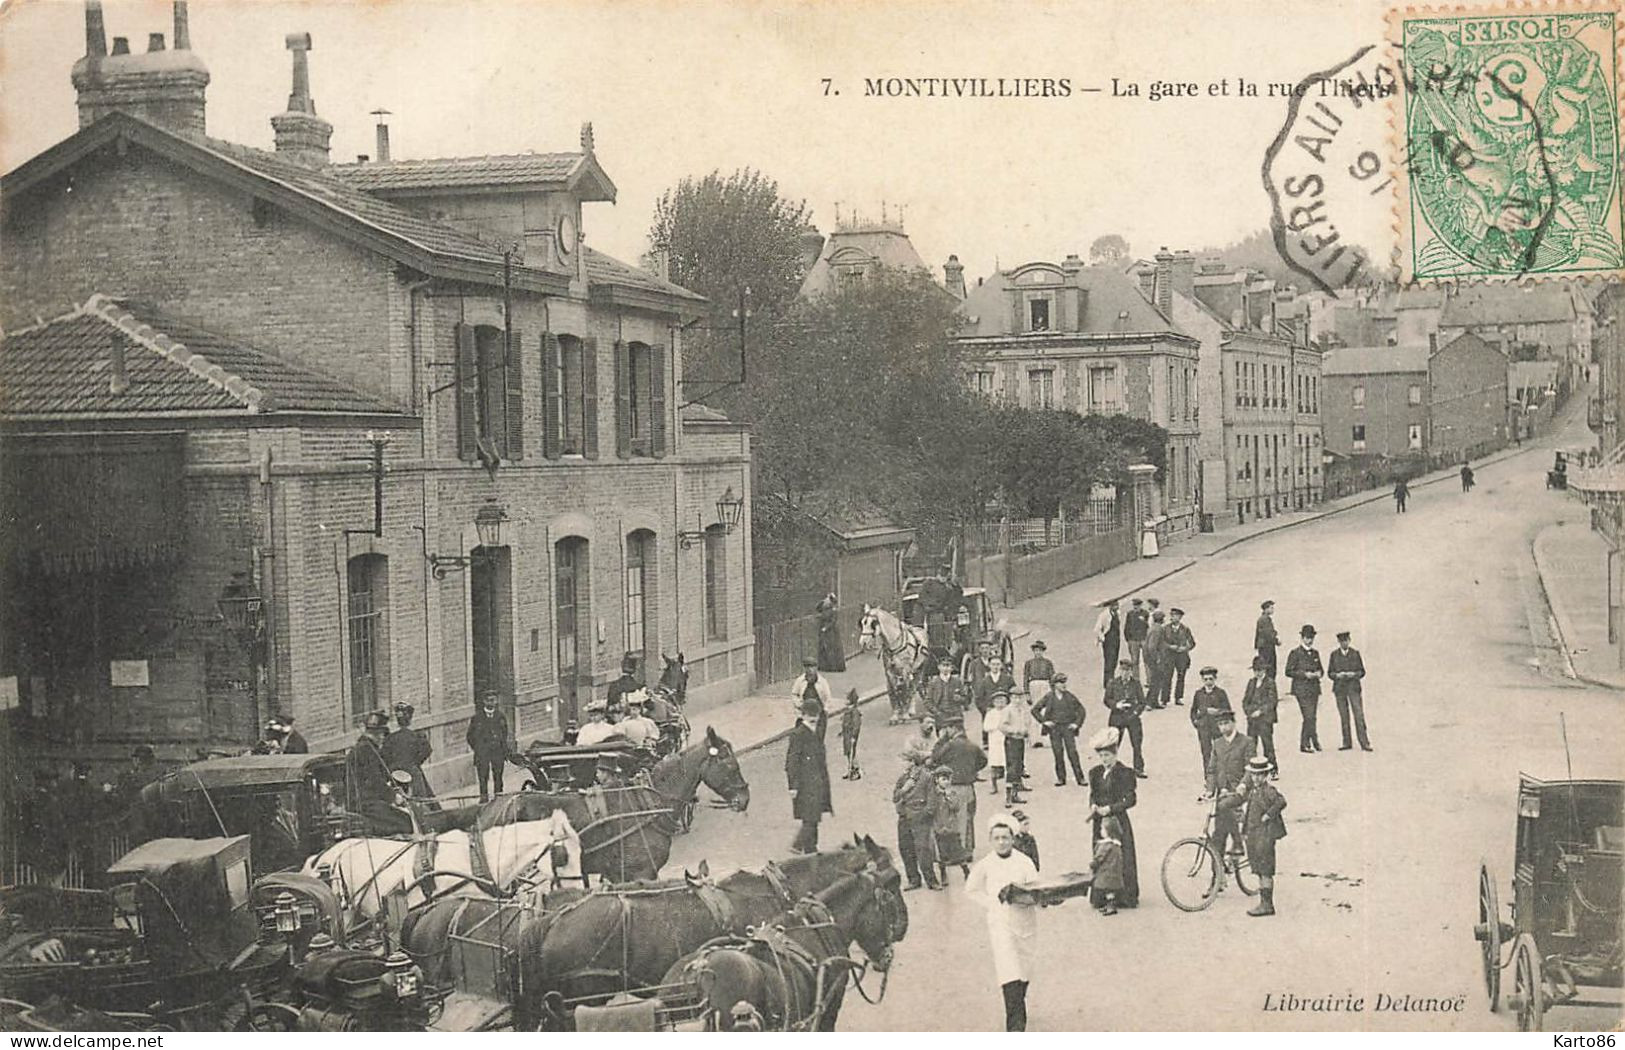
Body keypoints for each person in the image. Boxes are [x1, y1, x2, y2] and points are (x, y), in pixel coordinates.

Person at [964, 813, 1041, 1031]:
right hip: (1000, 926)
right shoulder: (985, 864)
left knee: (1024, 971)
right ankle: (1016, 1029)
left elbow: (1036, 889)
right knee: (1009, 974)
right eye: (996, 838)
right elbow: (971, 889)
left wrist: (1038, 900)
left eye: (1005, 838)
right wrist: (992, 903)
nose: (1001, 842)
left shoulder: (1024, 862)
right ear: (991, 840)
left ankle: (1019, 999)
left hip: (1025, 924)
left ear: (1012, 839)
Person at [1087, 728, 1139, 908]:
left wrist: (1110, 808)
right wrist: (1093, 805)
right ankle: (1102, 896)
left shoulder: (1125, 773)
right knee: (1101, 856)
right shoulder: (1095, 773)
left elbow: (1131, 800)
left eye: (1108, 755)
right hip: (1099, 821)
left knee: (1120, 857)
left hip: (1117, 822)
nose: (1104, 760)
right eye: (1102, 756)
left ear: (1115, 754)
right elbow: (1093, 794)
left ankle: (1124, 896)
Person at [1238, 755, 1288, 916]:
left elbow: (1281, 801)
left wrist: (1268, 814)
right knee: (1259, 869)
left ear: (1266, 775)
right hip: (1254, 835)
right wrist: (1244, 830)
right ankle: (1264, 902)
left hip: (1265, 836)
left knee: (1265, 870)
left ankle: (1267, 904)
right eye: (1253, 775)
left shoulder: (1269, 790)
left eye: (1259, 775)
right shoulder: (1254, 791)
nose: (1256, 778)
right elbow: (1249, 811)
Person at [1205, 710, 1252, 876]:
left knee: (1223, 807)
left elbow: (1250, 768)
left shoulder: (1246, 741)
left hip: (1240, 792)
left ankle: (1238, 842)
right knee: (1218, 835)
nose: (1223, 727)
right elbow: (1211, 770)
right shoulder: (1217, 743)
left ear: (1233, 723)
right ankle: (1216, 880)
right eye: (1220, 724)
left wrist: (1243, 785)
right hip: (1222, 794)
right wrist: (1210, 789)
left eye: (1226, 723)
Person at [893, 741, 943, 890]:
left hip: (920, 818)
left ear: (911, 761)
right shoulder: (903, 778)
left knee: (923, 850)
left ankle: (931, 880)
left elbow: (932, 800)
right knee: (906, 849)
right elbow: (895, 797)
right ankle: (913, 879)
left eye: (902, 760)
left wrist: (924, 815)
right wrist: (904, 789)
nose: (900, 764)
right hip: (904, 817)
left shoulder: (926, 777)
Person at [785, 698, 832, 854]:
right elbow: (791, 762)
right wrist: (793, 786)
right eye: (810, 715)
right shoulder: (798, 734)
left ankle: (811, 850)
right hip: (805, 784)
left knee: (813, 817)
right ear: (803, 716)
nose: (814, 718)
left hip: (817, 783)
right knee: (811, 818)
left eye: (816, 715)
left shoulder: (816, 732)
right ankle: (799, 846)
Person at [934, 722, 987, 855]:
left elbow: (935, 757)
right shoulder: (972, 745)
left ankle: (956, 851)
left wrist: (941, 740)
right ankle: (968, 850)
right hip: (968, 787)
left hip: (952, 787)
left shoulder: (950, 745)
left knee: (951, 818)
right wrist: (971, 770)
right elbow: (983, 761)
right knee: (968, 818)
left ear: (953, 728)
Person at [1031, 671, 1086, 786]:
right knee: (1058, 753)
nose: (1063, 685)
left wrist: (1076, 724)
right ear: (1054, 684)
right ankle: (1061, 778)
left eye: (1064, 682)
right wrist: (1044, 722)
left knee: (1072, 753)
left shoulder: (1070, 696)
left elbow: (1081, 710)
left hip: (1067, 728)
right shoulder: (1049, 697)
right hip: (1054, 729)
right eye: (1060, 683)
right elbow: (1035, 710)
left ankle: (1080, 778)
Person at [1328, 630, 1373, 752]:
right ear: (1339, 642)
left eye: (1346, 641)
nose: (1344, 643)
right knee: (1344, 716)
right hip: (1340, 688)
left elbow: (1362, 671)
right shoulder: (1334, 655)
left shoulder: (1355, 654)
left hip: (1353, 688)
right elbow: (1329, 673)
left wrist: (1353, 674)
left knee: (1358, 714)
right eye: (1342, 641)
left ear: (1349, 641)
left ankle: (1364, 742)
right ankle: (1346, 742)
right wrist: (1338, 675)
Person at [1103, 658, 1148, 777]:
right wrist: (1116, 705)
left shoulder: (1136, 684)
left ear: (1131, 671)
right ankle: (1110, 768)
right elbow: (1106, 700)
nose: (1125, 673)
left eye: (1127, 670)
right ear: (1119, 670)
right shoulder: (1112, 683)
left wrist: (1135, 713)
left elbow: (1142, 702)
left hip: (1132, 717)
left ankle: (1139, 768)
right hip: (1117, 717)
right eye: (1123, 670)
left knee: (1137, 744)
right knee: (1113, 744)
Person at [1284, 625, 1325, 753]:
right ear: (1302, 638)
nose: (1310, 640)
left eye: (1311, 638)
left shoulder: (1315, 653)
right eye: (1307, 638)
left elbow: (1321, 669)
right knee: (1308, 716)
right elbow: (1288, 671)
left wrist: (1319, 673)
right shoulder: (1295, 653)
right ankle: (1306, 743)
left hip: (1314, 689)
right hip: (1301, 689)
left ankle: (1313, 740)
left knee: (1312, 716)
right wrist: (1304, 674)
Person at [383, 702, 434, 800]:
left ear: (398, 720)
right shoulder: (417, 736)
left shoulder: (390, 738)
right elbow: (427, 751)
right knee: (420, 799)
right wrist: (415, 763)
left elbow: (384, 756)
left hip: (394, 773)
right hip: (412, 772)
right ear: (410, 718)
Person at [466, 694, 512, 802]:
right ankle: (484, 798)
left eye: (493, 700)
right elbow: (470, 736)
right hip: (483, 753)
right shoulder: (477, 718)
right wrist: (478, 748)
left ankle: (498, 798)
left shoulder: (500, 716)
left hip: (497, 752)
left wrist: (502, 748)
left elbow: (504, 733)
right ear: (484, 701)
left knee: (498, 776)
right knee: (483, 776)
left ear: (496, 701)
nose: (491, 703)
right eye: (488, 700)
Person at [1189, 666, 1232, 780]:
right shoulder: (1199, 694)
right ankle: (1208, 778)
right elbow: (1193, 710)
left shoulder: (1221, 693)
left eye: (1210, 679)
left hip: (1217, 728)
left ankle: (1222, 776)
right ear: (1202, 680)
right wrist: (1196, 722)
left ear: (1215, 679)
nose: (1208, 682)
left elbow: (1228, 710)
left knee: (1220, 752)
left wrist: (1218, 712)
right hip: (1204, 728)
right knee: (1206, 753)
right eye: (1206, 679)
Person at [1242, 655, 1280, 778]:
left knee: (1267, 744)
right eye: (1256, 670)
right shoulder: (1251, 683)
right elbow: (1245, 701)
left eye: (1260, 670)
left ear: (1265, 670)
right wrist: (1249, 712)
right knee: (1251, 744)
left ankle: (1273, 769)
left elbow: (1272, 701)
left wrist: (1260, 711)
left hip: (1265, 719)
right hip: (1252, 719)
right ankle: (1252, 770)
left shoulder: (1270, 683)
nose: (1258, 672)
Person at [349, 711, 395, 808]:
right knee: (403, 819)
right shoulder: (367, 750)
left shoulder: (362, 747)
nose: (383, 738)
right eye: (383, 734)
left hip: (363, 800)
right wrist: (393, 796)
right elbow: (375, 779)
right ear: (377, 734)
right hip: (367, 802)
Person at [932, 766, 970, 879]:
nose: (946, 782)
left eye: (948, 779)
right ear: (937, 780)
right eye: (943, 779)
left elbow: (956, 807)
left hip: (952, 826)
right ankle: (943, 874)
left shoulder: (952, 793)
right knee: (941, 853)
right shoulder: (934, 794)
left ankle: (966, 871)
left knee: (958, 851)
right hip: (939, 826)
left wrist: (948, 795)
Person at [997, 684, 1032, 806]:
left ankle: (1015, 793)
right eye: (1015, 698)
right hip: (1011, 740)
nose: (1017, 700)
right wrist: (1014, 730)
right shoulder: (1007, 710)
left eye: (1020, 698)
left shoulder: (1022, 710)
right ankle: (1008, 797)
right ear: (1010, 698)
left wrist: (1026, 732)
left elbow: (1027, 723)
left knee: (1018, 766)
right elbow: (1002, 726)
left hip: (1020, 740)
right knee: (1011, 768)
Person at [975, 656, 1017, 745]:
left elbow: (1014, 694)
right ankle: (987, 742)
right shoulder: (984, 681)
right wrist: (985, 709)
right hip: (991, 712)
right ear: (989, 666)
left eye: (998, 664)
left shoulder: (1008, 679)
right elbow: (978, 698)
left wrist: (1009, 708)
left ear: (1001, 665)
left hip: (1005, 712)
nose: (995, 667)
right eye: (993, 664)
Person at [790, 657, 833, 740]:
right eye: (807, 667)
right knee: (801, 738)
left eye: (812, 667)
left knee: (818, 738)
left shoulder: (822, 682)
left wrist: (826, 709)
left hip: (819, 714)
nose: (810, 670)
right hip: (804, 713)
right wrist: (799, 704)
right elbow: (794, 694)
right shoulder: (800, 681)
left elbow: (828, 697)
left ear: (816, 668)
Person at [1021, 641, 1054, 745]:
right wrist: (1027, 693)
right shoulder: (1029, 663)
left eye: (1040, 650)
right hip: (1033, 686)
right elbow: (1026, 678)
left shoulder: (1048, 663)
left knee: (1045, 711)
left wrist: (1053, 692)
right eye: (1036, 650)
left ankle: (1045, 739)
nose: (1038, 652)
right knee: (1033, 711)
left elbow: (1052, 678)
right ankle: (1034, 739)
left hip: (1045, 686)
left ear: (1043, 651)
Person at [1091, 816, 1126, 915]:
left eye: (1102, 829)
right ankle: (1109, 905)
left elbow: (1099, 857)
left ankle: (1111, 907)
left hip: (1107, 873)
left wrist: (1093, 864)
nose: (1101, 831)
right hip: (1113, 872)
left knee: (1108, 891)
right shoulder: (1116, 844)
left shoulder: (1106, 846)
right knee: (1109, 891)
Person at [921, 659, 967, 734]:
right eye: (943, 666)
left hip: (956, 716)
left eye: (948, 666)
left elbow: (966, 699)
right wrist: (936, 712)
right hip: (941, 716)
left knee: (958, 740)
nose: (946, 668)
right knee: (943, 741)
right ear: (939, 667)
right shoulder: (933, 682)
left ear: (952, 668)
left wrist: (960, 698)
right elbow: (927, 701)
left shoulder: (957, 681)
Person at [1163, 607, 1196, 706]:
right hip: (1169, 656)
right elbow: (1162, 642)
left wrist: (1185, 648)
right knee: (1167, 677)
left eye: (1175, 616)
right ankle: (1165, 699)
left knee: (1181, 677)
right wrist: (1170, 646)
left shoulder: (1185, 629)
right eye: (1172, 615)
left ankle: (1178, 697)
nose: (1172, 617)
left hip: (1182, 656)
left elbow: (1192, 643)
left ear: (1180, 617)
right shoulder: (1165, 629)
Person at [983, 691, 1009, 797]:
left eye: (1002, 700)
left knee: (1010, 762)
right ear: (993, 702)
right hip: (995, 741)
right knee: (994, 762)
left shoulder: (1008, 712)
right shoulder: (990, 713)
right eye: (997, 701)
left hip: (1007, 740)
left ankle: (1013, 785)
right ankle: (994, 785)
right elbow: (986, 727)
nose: (1000, 703)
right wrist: (997, 726)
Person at [1144, 610, 1171, 708]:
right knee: (1156, 680)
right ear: (1161, 619)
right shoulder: (1157, 629)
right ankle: (1149, 702)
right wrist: (1157, 658)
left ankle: (1154, 702)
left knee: (1157, 680)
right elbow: (1152, 647)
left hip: (1151, 658)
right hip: (1154, 659)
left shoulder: (1154, 628)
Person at [1094, 600, 1122, 690]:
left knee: (1114, 660)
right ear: (1111, 606)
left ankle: (1111, 679)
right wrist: (1102, 638)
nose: (1117, 607)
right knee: (1109, 661)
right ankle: (1108, 683)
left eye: (1117, 605)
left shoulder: (1117, 613)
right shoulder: (1104, 615)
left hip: (1116, 639)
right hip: (1109, 640)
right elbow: (1097, 629)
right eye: (1115, 605)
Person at [816, 593, 847, 673]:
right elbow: (817, 607)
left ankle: (834, 667)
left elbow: (833, 621)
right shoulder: (824, 608)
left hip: (832, 632)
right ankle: (824, 666)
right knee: (824, 648)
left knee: (832, 648)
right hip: (824, 630)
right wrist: (823, 600)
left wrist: (826, 628)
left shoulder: (833, 610)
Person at [1122, 597, 1150, 683]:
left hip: (1143, 639)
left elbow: (1149, 626)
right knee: (1134, 661)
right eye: (1134, 605)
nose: (1135, 607)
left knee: (1147, 660)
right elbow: (1127, 626)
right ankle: (1136, 679)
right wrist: (1128, 639)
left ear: (1140, 606)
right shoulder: (1130, 614)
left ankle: (1149, 680)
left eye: (1137, 605)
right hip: (1133, 640)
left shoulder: (1145, 613)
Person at [839, 691, 863, 780]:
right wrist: (842, 732)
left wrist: (854, 736)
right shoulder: (848, 710)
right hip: (846, 735)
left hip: (851, 735)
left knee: (852, 753)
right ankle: (849, 770)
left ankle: (855, 770)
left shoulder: (854, 712)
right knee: (848, 753)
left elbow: (856, 725)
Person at [1254, 600, 1279, 680]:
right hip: (1267, 647)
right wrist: (1276, 641)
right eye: (1271, 608)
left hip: (1264, 647)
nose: (1273, 610)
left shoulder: (1262, 619)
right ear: (1266, 609)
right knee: (1270, 667)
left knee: (1266, 666)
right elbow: (1268, 634)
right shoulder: (1265, 619)